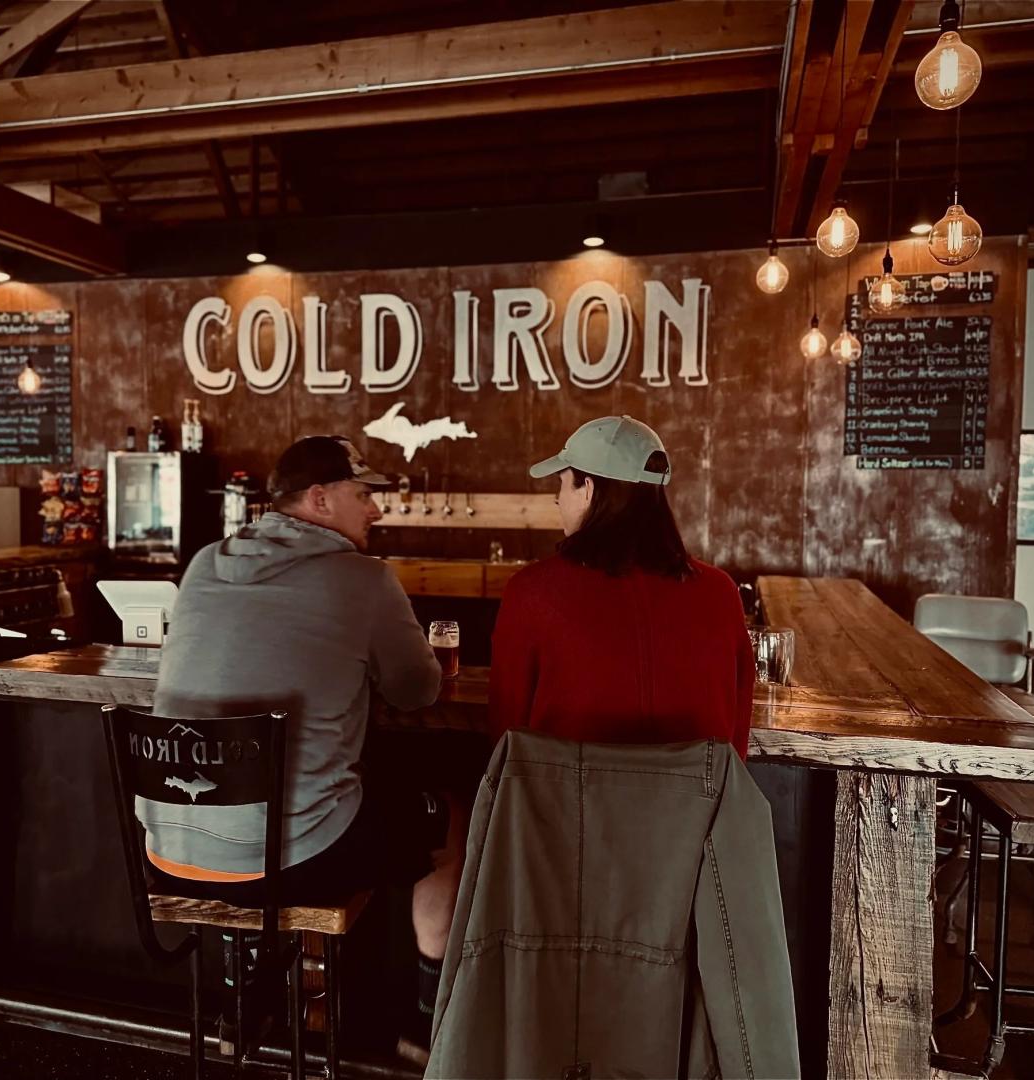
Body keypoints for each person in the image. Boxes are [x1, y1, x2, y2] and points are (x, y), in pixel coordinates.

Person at [149, 434, 461, 1058]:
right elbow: (417, 690)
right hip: (292, 863)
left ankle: (249, 990)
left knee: (273, 812)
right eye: (364, 494)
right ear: (320, 499)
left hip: (170, 855)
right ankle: (430, 1029)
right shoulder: (364, 579)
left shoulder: (205, 561)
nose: (375, 510)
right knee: (451, 824)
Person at [489, 415, 754, 756]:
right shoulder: (720, 592)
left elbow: (505, 735)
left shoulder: (531, 591)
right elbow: (735, 739)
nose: (557, 499)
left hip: (562, 808)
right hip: (694, 808)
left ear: (588, 489)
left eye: (562, 483)